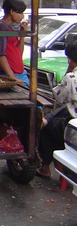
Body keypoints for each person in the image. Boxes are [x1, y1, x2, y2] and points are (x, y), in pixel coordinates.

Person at [36, 42, 77, 179]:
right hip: (72, 114)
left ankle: (45, 167)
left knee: (49, 130)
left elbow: (59, 97)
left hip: (73, 122)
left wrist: (69, 70)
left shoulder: (71, 78)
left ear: (70, 59)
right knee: (56, 117)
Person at [0, 0, 29, 86]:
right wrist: (12, 77)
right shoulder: (2, 27)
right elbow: (0, 54)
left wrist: (22, 35)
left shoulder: (9, 28)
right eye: (20, 13)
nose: (22, 16)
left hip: (19, 73)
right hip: (11, 75)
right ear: (12, 11)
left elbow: (19, 52)